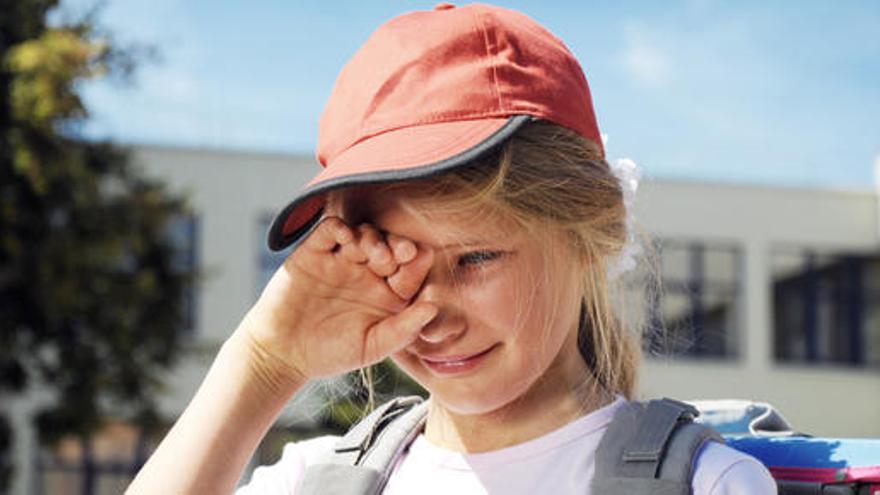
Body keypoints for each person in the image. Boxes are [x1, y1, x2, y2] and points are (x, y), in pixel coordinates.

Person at [127, 3, 777, 494]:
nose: (432, 314)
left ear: (589, 235)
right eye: (395, 260)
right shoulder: (315, 479)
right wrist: (264, 362)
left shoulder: (705, 483)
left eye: (474, 258)